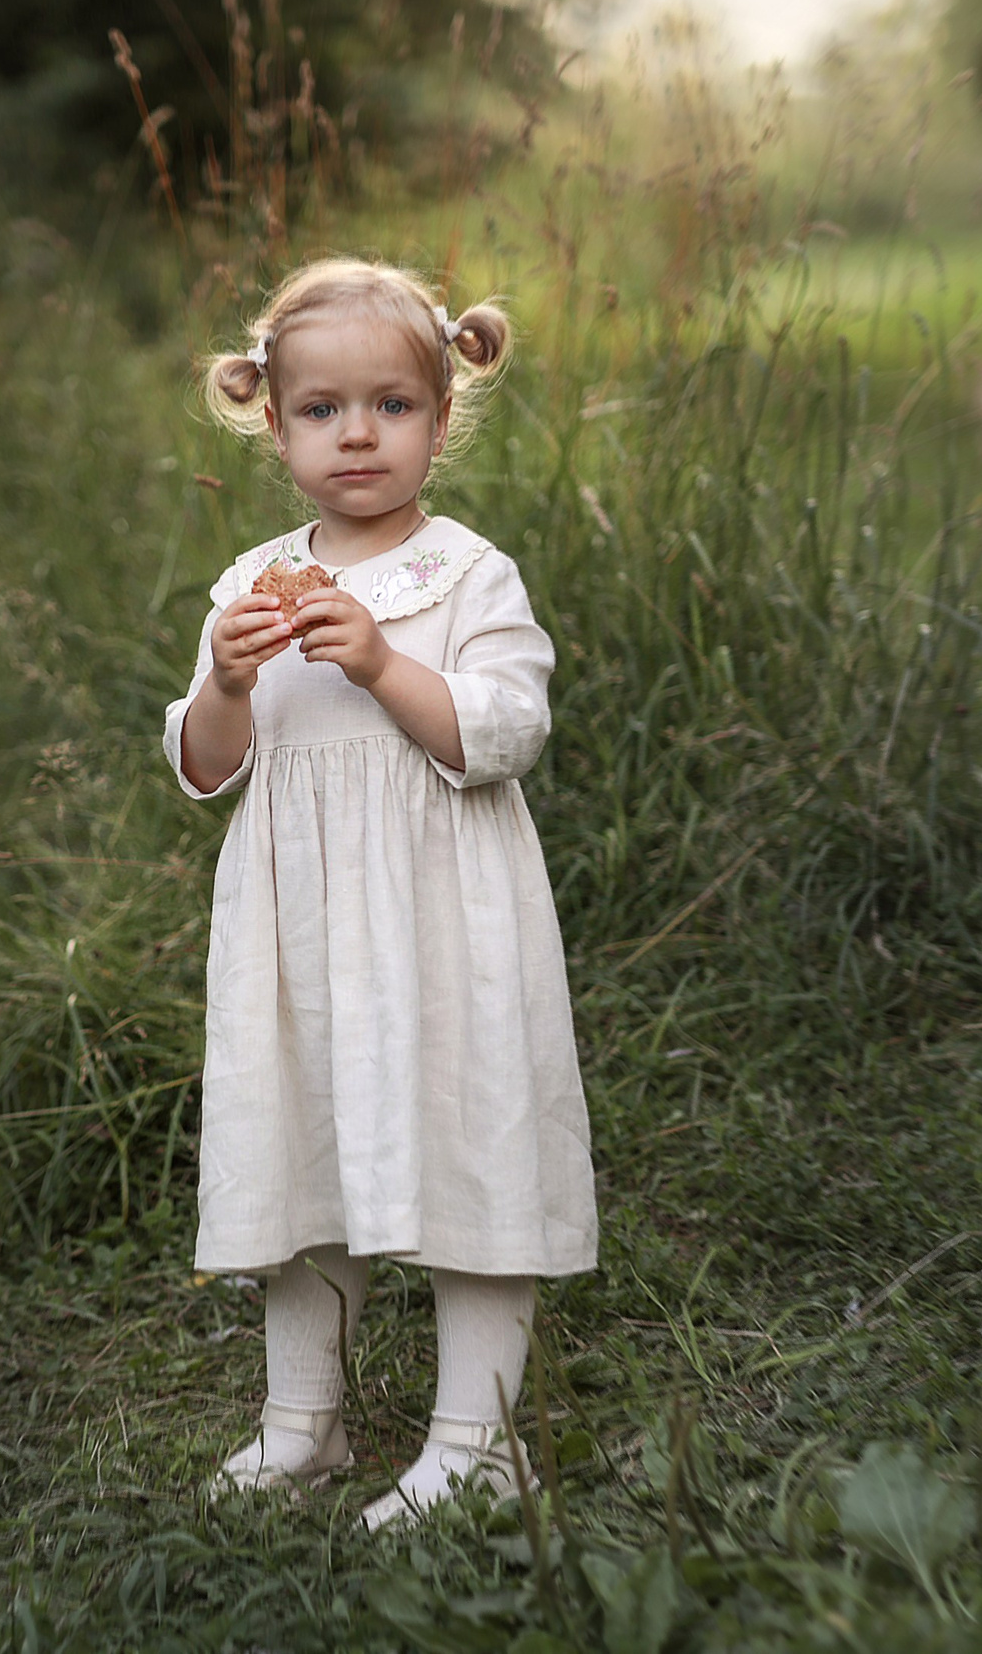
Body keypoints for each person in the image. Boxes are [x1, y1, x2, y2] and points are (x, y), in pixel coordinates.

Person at [163, 258, 597, 1529]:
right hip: (298, 933)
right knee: (299, 1150)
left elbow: (501, 734)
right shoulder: (246, 586)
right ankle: (302, 1419)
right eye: (320, 409)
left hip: (444, 917)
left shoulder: (466, 577)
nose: (356, 433)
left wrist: (379, 663)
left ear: (440, 416)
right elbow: (204, 769)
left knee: (469, 1142)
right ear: (270, 418)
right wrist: (228, 686)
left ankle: (480, 1437)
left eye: (391, 406)